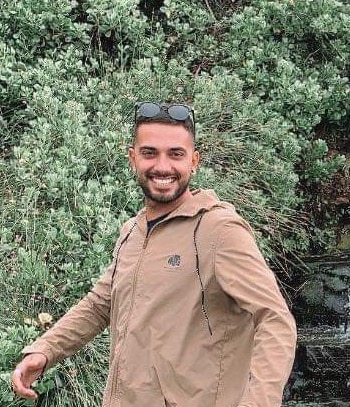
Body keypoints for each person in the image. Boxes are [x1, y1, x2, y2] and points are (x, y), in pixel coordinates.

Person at [11, 102, 298, 407]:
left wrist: (259, 402)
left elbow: (275, 320)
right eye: (150, 153)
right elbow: (100, 304)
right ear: (132, 158)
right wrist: (45, 350)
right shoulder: (132, 232)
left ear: (194, 161)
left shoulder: (219, 230)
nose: (163, 166)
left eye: (176, 154)